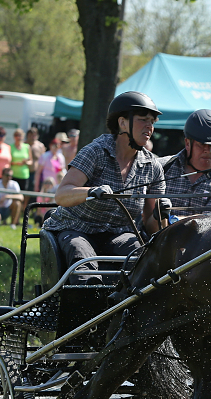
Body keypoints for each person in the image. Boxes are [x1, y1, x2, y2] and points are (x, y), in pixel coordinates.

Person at [42, 91, 166, 284]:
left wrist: (160, 214)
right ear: (122, 123)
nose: (150, 126)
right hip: (77, 229)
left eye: (152, 121)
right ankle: (87, 308)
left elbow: (150, 223)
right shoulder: (96, 151)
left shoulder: (153, 166)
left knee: (143, 259)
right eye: (143, 120)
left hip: (119, 234)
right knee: (81, 256)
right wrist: (90, 191)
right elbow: (62, 194)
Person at [159, 108, 211, 217]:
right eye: (201, 144)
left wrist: (171, 220)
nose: (207, 150)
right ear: (187, 143)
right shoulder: (161, 167)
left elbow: (208, 223)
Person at [26, 127, 45, 191]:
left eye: (34, 135)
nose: (32, 137)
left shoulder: (40, 146)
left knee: (33, 190)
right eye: (30, 135)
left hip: (35, 172)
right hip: (25, 172)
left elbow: (43, 160)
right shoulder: (23, 145)